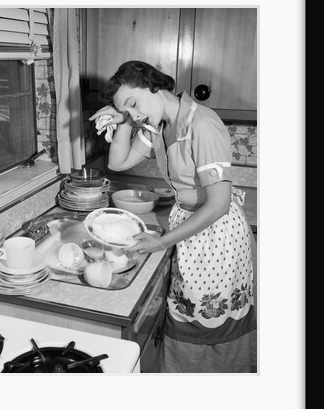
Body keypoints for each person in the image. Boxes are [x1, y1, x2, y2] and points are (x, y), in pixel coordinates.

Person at [89, 60, 256, 373]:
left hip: (217, 236)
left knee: (209, 319)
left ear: (153, 85)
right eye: (129, 109)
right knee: (186, 314)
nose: (135, 114)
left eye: (134, 103)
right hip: (189, 228)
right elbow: (119, 162)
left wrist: (160, 241)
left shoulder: (202, 124)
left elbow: (217, 205)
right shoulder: (159, 127)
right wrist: (125, 120)